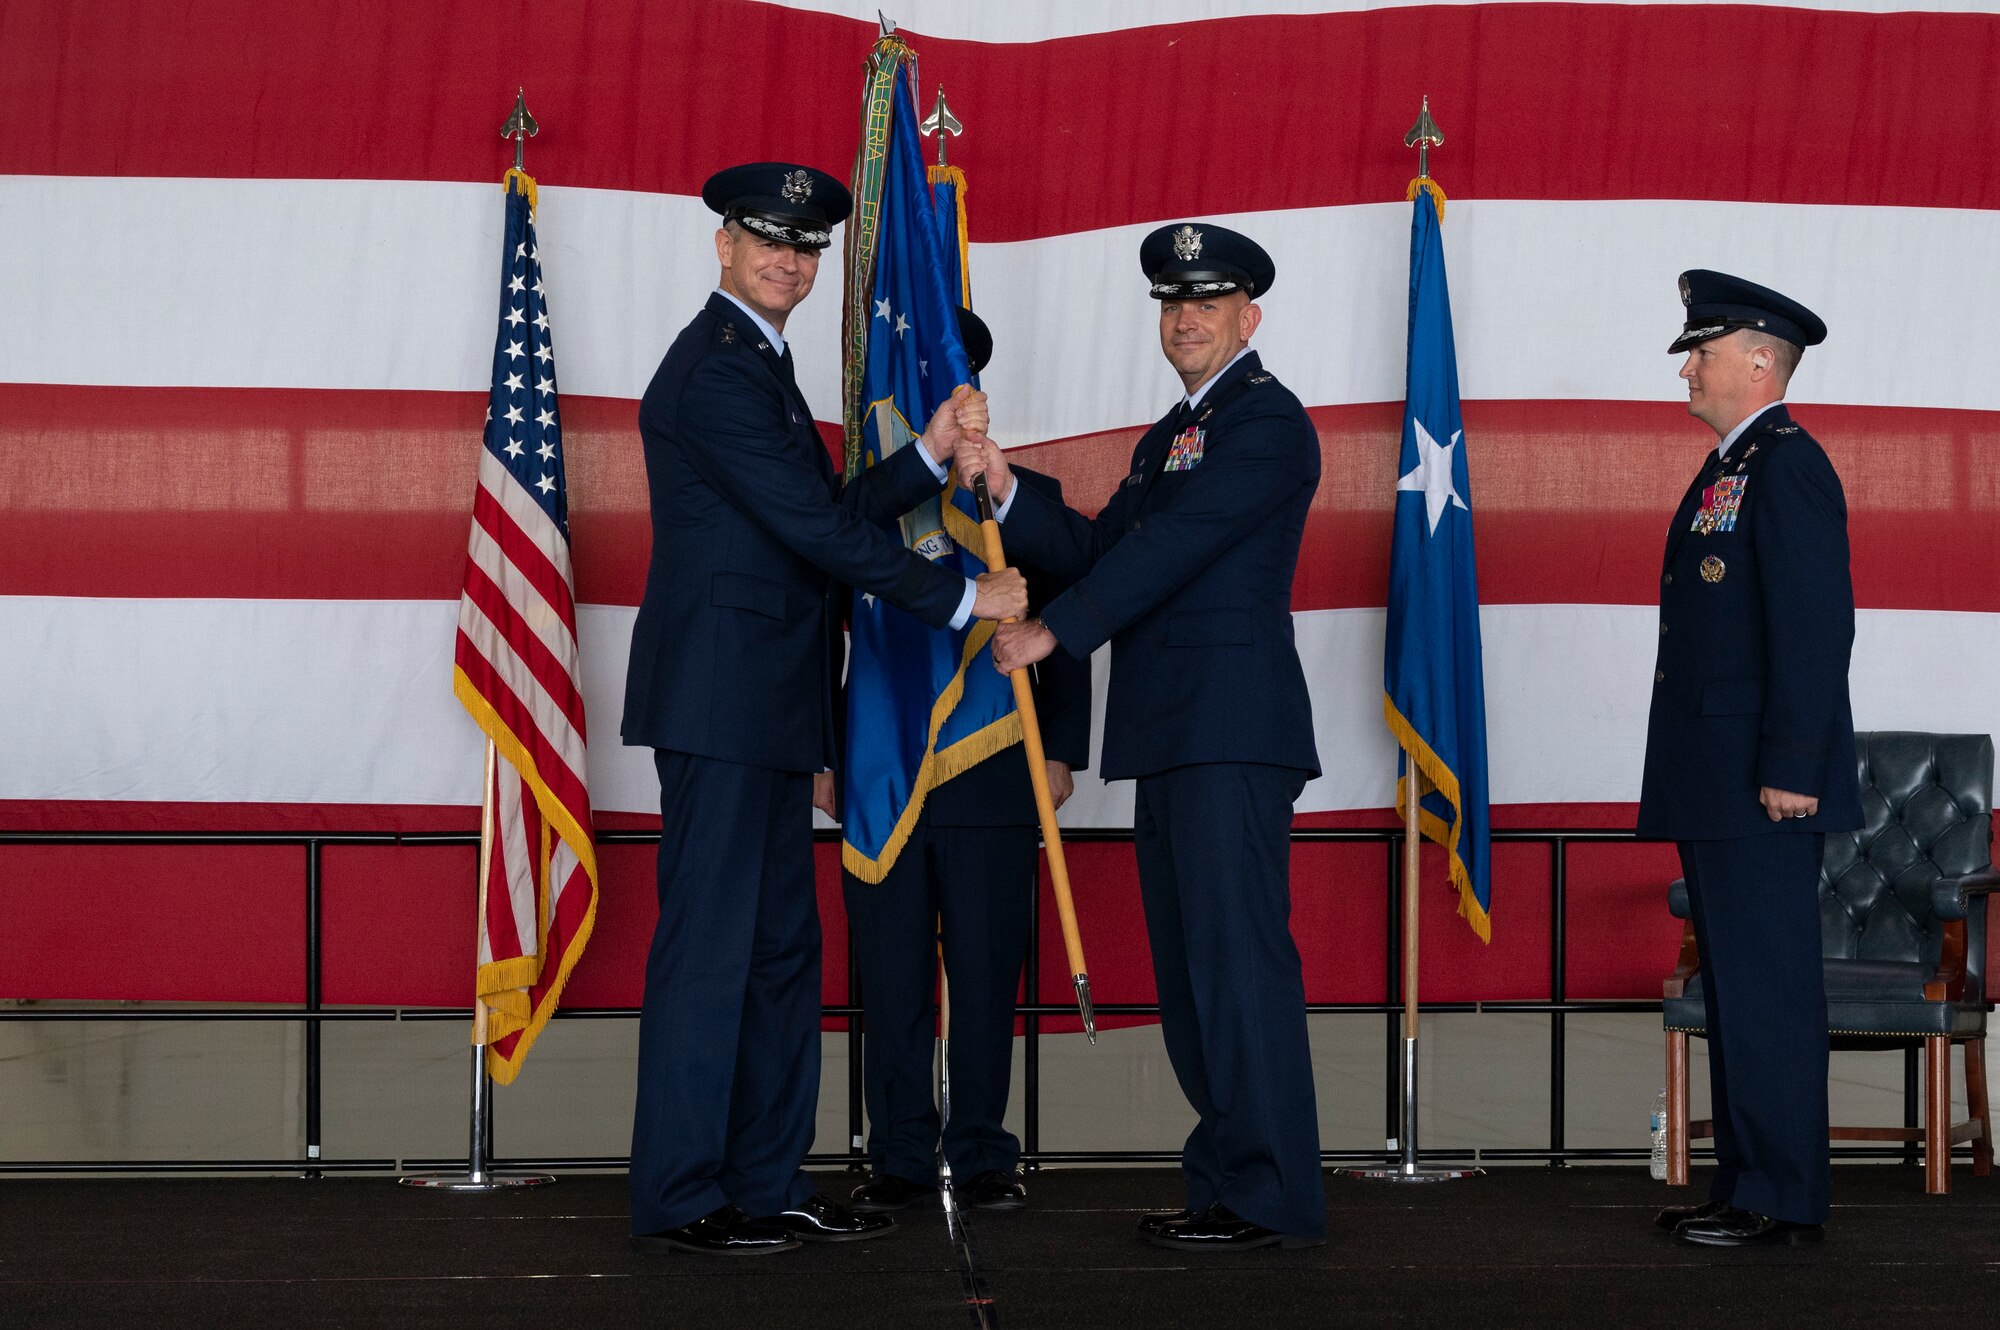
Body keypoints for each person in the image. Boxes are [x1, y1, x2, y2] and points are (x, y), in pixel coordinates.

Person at [620, 161, 1026, 1256]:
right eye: (768, 240)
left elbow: (825, 507)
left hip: (763, 704)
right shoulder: (716, 373)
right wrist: (960, 596)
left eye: (804, 246)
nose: (789, 259)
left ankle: (758, 1180)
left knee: (779, 950)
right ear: (722, 246)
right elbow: (819, 536)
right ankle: (682, 1190)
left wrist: (929, 455)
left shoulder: (759, 365)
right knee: (713, 950)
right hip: (719, 703)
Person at [956, 223, 1325, 1250]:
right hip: (1171, 731)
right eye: (1170, 304)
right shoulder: (1169, 435)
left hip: (1229, 728)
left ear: (1246, 318)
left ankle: (1269, 1196)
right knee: (1193, 969)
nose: (1184, 319)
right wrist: (1003, 486)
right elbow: (1090, 546)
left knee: (1236, 965)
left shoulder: (1266, 423)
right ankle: (1224, 1182)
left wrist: (1050, 631)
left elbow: (1171, 547)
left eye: (1203, 305)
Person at [842, 310, 1092, 1216]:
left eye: (955, 380)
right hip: (881, 764)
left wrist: (1060, 748)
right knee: (895, 975)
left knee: (987, 970)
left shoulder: (1018, 495)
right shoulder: (861, 499)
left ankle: (983, 1149)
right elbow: (820, 634)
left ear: (976, 391)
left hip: (993, 764)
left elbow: (1071, 612)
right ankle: (902, 1155)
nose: (940, 397)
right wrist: (825, 753)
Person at [1641, 269, 1860, 1248]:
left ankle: (1781, 1195)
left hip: (1761, 783)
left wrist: (1791, 762)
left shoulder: (1786, 465)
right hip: (1714, 773)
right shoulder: (1731, 466)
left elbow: (1813, 628)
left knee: (1767, 989)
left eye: (1703, 348)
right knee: (1735, 988)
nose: (1687, 366)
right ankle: (1745, 1182)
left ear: (1760, 359)